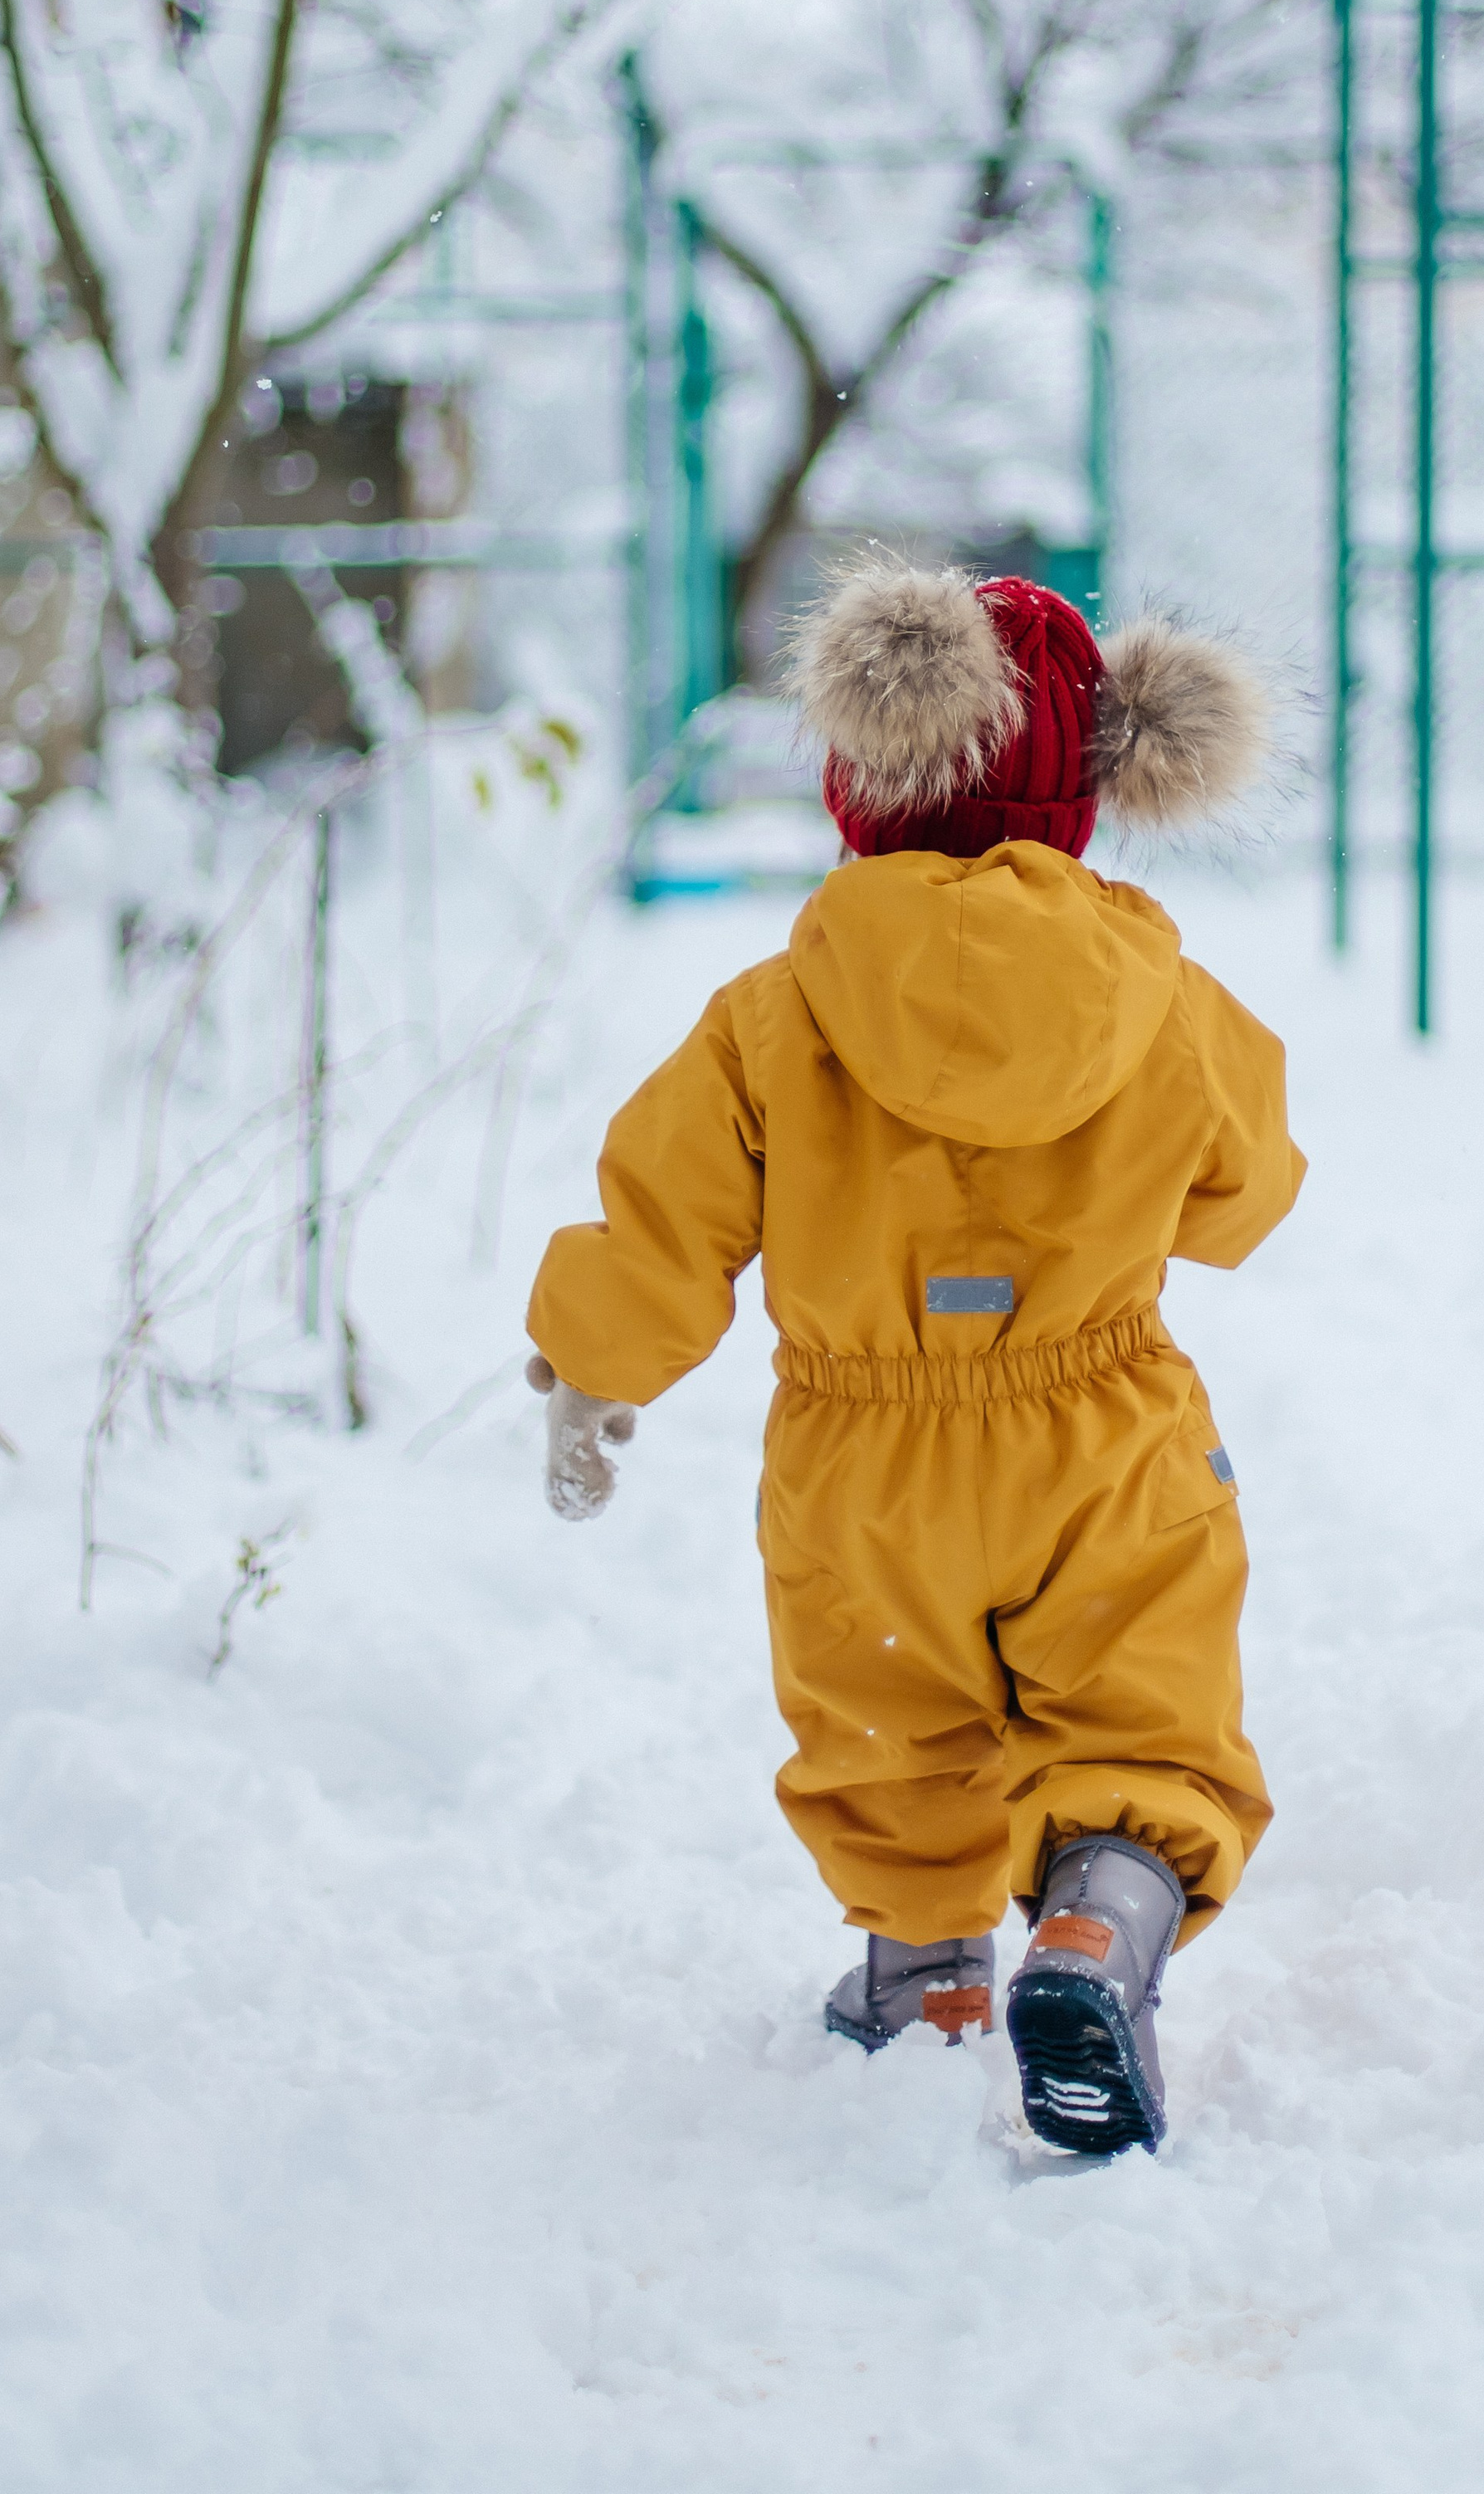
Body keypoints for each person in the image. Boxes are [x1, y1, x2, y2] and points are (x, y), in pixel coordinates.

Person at [525, 563, 1304, 2155]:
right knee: (1139, 1720)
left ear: (863, 779)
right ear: (1096, 784)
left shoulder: (773, 1013)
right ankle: (1097, 1926)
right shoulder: (1158, 993)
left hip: (860, 1460)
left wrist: (592, 1369)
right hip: (1104, 1434)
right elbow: (1249, 1193)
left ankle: (927, 1975)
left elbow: (661, 1216)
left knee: (890, 1728)